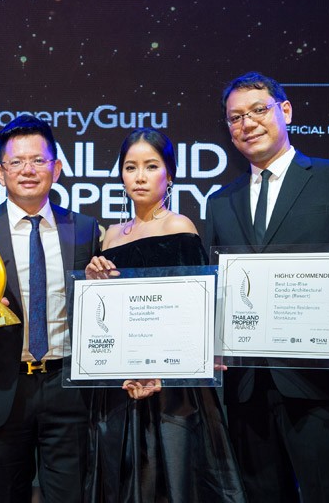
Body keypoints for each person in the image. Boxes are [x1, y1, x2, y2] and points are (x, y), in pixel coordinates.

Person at [204, 71, 329, 502]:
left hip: (320, 386)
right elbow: (217, 288)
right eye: (235, 117)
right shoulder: (220, 201)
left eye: (258, 110)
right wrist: (209, 338)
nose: (247, 124)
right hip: (247, 389)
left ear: (286, 111)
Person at [83, 127, 246, 502]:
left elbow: (196, 313)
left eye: (151, 166)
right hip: (119, 383)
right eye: (130, 167)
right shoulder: (111, 236)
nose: (139, 176)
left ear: (169, 175)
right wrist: (93, 281)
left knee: (170, 480)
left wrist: (162, 372)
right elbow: (105, 316)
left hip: (171, 386)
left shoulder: (179, 227)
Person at [0, 114, 100, 503]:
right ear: (0, 172)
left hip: (68, 389)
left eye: (38, 160)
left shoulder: (85, 229)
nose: (28, 170)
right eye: (16, 161)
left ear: (57, 168)